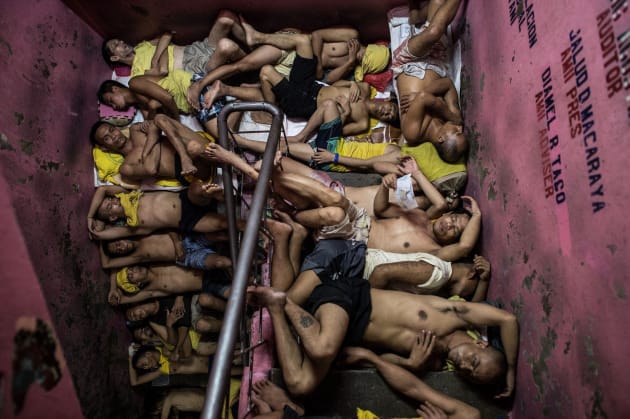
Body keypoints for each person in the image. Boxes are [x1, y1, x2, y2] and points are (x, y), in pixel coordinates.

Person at [247, 280, 517, 398]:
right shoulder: (456, 313)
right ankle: (285, 303)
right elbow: (508, 319)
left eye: (470, 375)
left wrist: (408, 363)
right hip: (351, 299)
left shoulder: (432, 361)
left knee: (300, 386)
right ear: (480, 344)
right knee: (321, 347)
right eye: (476, 362)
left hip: (345, 333)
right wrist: (512, 372)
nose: (466, 367)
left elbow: (380, 360)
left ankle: (275, 308)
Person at [235, 21, 396, 135]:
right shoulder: (364, 87)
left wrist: (345, 114)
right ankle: (256, 38)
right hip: (311, 84)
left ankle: (273, 109)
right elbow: (333, 83)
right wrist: (351, 83)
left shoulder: (362, 122)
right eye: (391, 109)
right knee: (304, 40)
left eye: (389, 117)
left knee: (266, 71)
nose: (387, 112)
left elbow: (332, 131)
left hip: (305, 103)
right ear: (388, 101)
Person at [186, 25, 390, 110]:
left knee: (264, 88)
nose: (361, 59)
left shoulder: (354, 68)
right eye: (365, 57)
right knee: (243, 65)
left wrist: (350, 61)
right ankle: (201, 82)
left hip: (300, 69)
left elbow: (326, 81)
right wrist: (316, 63)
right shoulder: (351, 36)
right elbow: (317, 35)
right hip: (296, 50)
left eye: (365, 62)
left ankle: (222, 88)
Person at [392, 0, 468, 163]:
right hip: (437, 62)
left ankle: (418, 16)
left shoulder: (413, 133)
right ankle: (416, 16)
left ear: (441, 138)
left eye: (457, 133)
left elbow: (424, 98)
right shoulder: (453, 118)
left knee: (434, 31)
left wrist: (426, 97)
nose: (459, 127)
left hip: (408, 63)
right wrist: (427, 98)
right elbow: (447, 83)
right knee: (437, 3)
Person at [102, 9, 247, 77]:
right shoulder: (137, 75)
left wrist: (155, 59)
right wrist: (160, 56)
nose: (121, 42)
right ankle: (253, 65)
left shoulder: (142, 46)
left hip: (195, 48)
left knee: (225, 17)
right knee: (226, 46)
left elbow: (166, 35)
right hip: (195, 68)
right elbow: (162, 72)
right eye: (116, 45)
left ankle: (253, 47)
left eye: (119, 40)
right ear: (115, 57)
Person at [89, 115, 218, 185]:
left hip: (186, 145)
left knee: (160, 118)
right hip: (186, 169)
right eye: (106, 138)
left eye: (112, 130)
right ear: (105, 147)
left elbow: (159, 123)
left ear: (117, 128)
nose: (113, 136)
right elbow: (151, 169)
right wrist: (153, 135)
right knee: (194, 148)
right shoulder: (126, 167)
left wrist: (146, 152)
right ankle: (189, 157)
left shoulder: (135, 129)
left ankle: (186, 156)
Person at [86, 183, 242, 241]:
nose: (113, 201)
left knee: (197, 189)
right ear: (113, 217)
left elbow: (103, 189)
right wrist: (97, 233)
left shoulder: (128, 194)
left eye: (110, 199)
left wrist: (90, 216)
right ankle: (262, 226)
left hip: (186, 199)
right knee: (223, 224)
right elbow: (111, 234)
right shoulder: (134, 225)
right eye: (109, 207)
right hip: (187, 220)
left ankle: (212, 194)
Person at [107, 264, 231, 306]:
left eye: (130, 269)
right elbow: (121, 300)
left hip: (208, 267)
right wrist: (114, 291)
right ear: (137, 284)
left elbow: (113, 263)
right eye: (130, 276)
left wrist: (113, 287)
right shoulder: (151, 290)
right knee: (236, 294)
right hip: (208, 285)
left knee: (234, 268)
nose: (133, 270)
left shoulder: (153, 262)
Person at [99, 232, 231, 271]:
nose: (121, 247)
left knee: (221, 234)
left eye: (118, 244)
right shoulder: (136, 257)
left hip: (188, 238)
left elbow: (171, 228)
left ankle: (250, 237)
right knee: (221, 263)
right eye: (118, 251)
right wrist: (98, 242)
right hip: (187, 257)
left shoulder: (138, 230)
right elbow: (107, 265)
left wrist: (177, 243)